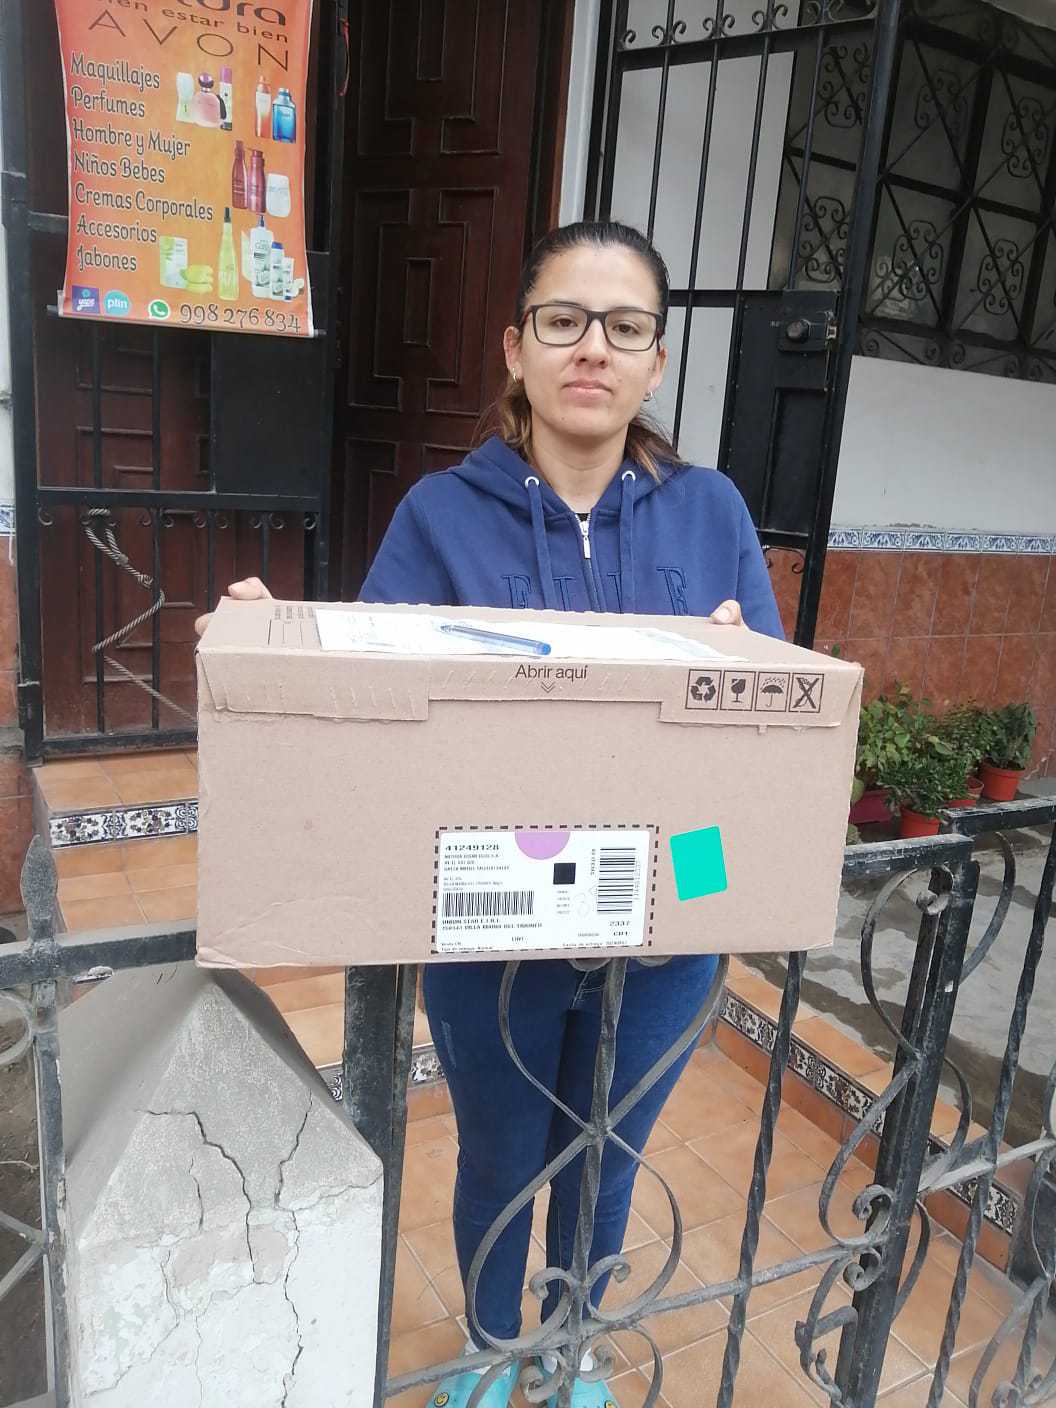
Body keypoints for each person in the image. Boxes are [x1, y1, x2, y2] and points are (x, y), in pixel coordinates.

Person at [197, 220, 783, 1408]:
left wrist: (744, 662)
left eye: (624, 327)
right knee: (504, 1156)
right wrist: (271, 639)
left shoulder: (711, 511)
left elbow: (776, 710)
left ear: (656, 361)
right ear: (517, 347)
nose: (592, 348)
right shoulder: (440, 513)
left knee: (607, 1155)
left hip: (668, 922)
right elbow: (371, 685)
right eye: (564, 321)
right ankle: (487, 1343)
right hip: (489, 922)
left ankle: (570, 1347)